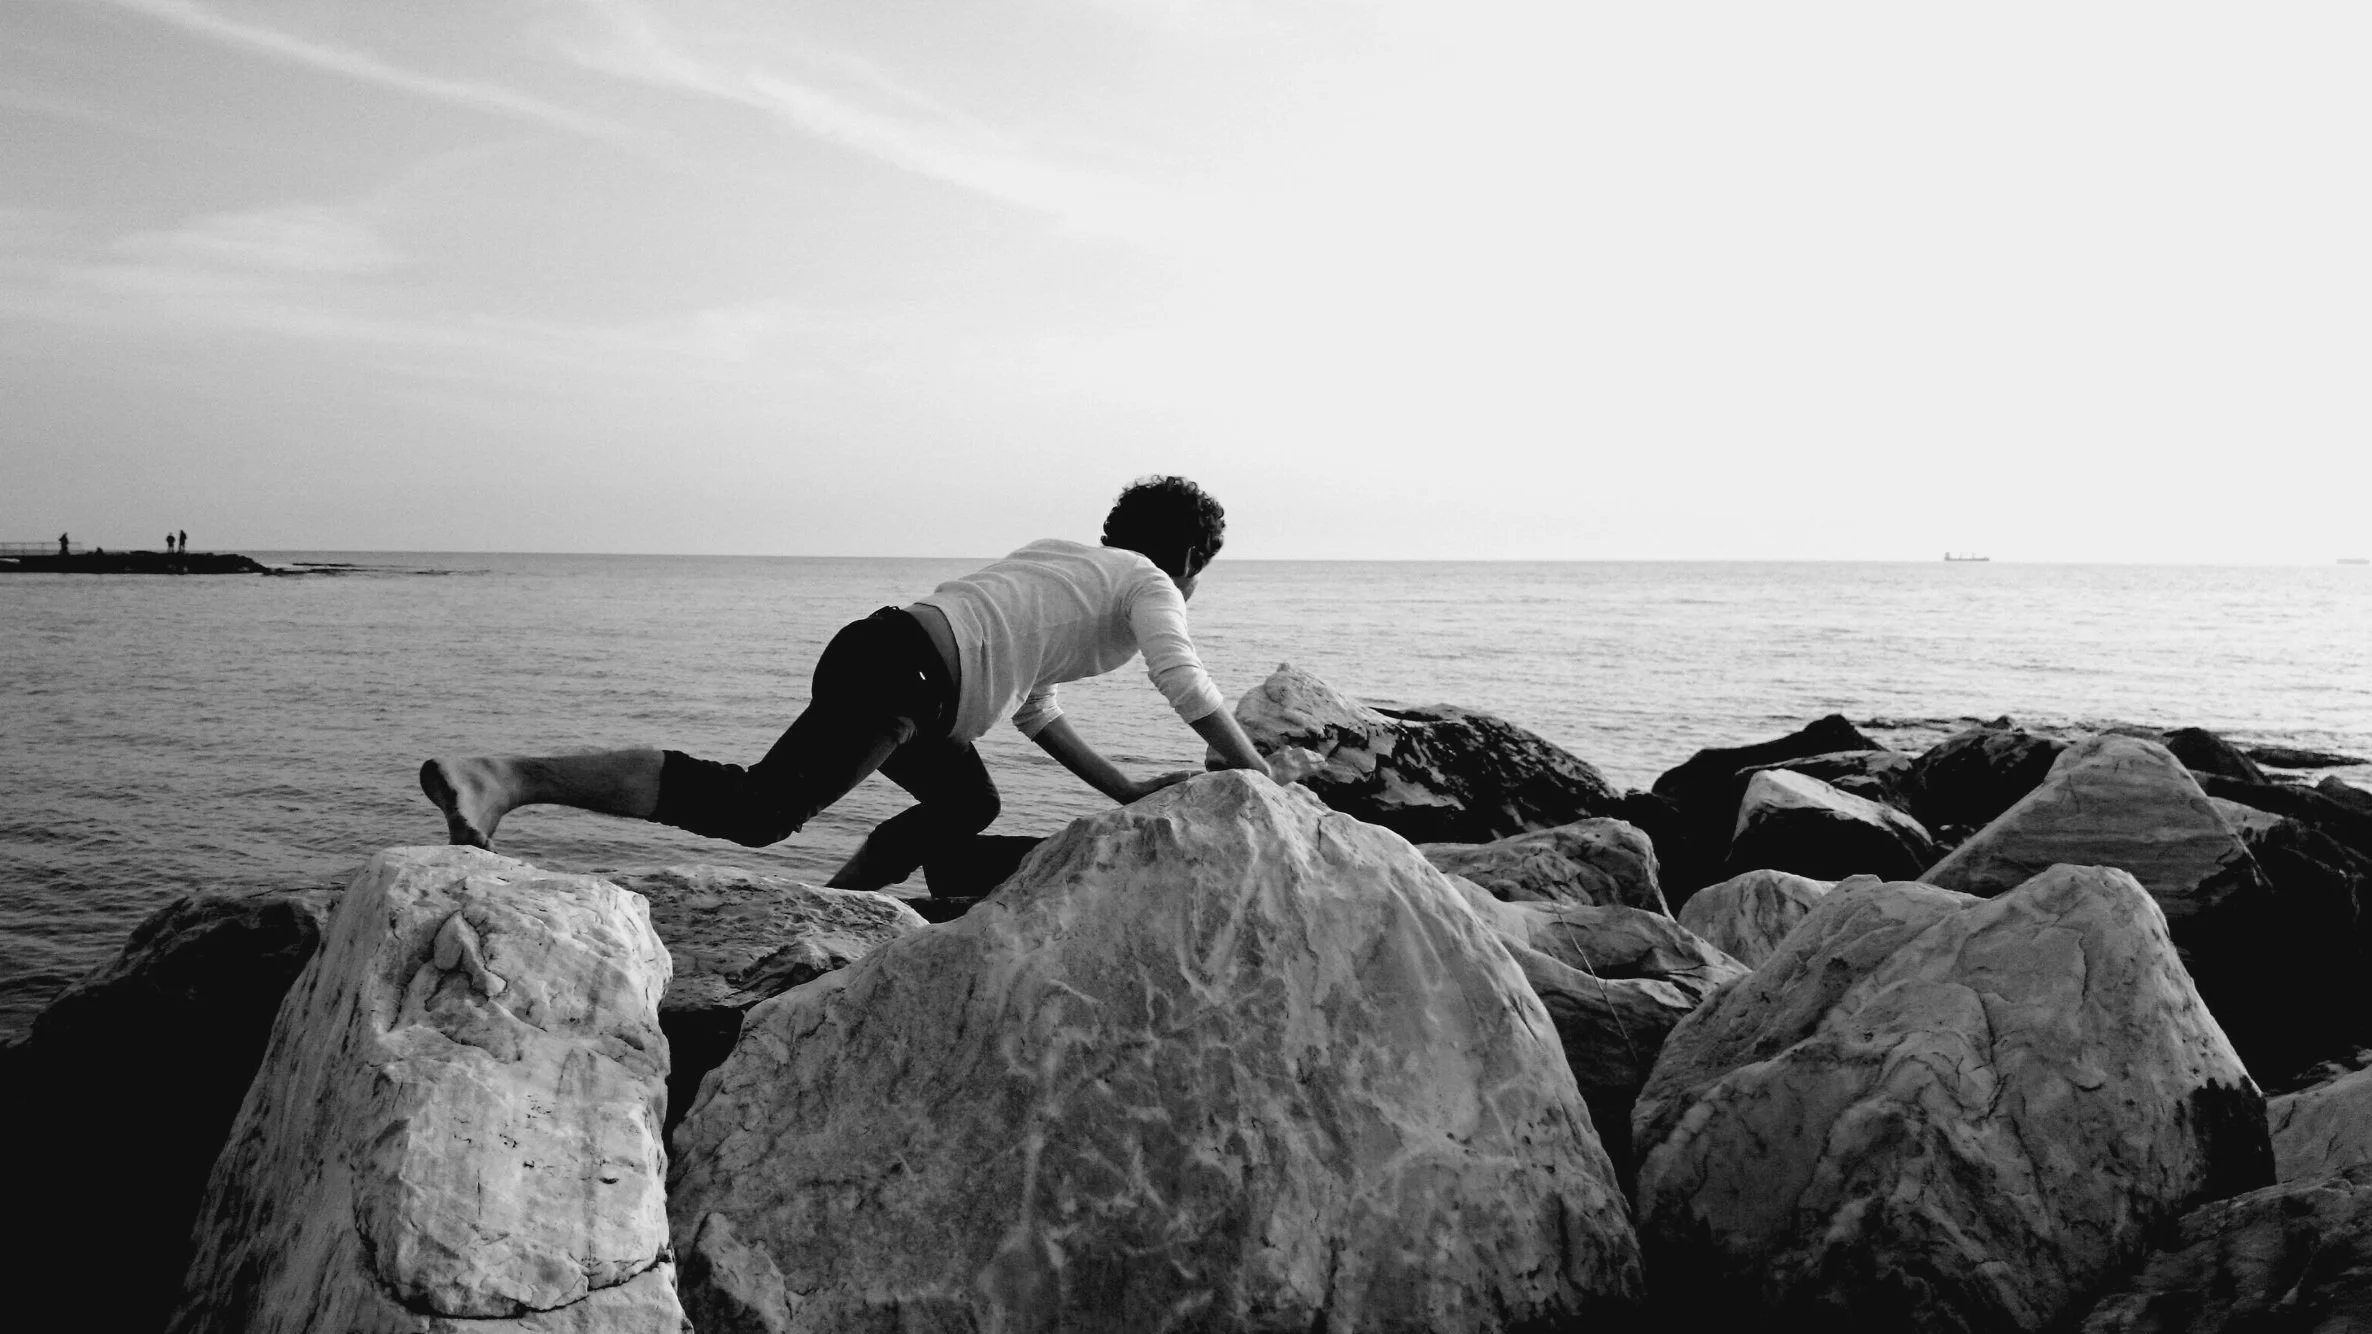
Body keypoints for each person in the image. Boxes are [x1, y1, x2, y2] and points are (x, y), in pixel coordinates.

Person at [421, 476, 1284, 892]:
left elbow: (1033, 705)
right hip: (906, 677)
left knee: (968, 805)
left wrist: (1126, 789)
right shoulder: (1149, 582)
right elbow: (1183, 677)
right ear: (1191, 558)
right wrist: (1257, 772)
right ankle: (508, 778)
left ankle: (838, 906)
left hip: (899, 664)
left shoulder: (1062, 560)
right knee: (760, 810)